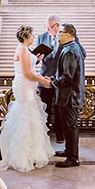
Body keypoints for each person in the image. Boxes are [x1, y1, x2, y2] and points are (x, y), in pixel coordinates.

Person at [0, 25, 53, 172]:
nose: (34, 38)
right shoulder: (22, 48)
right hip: (24, 85)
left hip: (28, 85)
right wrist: (43, 81)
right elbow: (27, 73)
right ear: (27, 36)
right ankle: (22, 155)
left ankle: (32, 152)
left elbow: (30, 68)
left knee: (30, 114)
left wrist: (38, 64)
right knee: (26, 114)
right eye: (32, 35)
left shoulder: (24, 49)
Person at [50, 22, 85, 168]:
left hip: (69, 97)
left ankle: (73, 158)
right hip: (72, 95)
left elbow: (68, 77)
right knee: (68, 126)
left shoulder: (70, 51)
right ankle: (69, 150)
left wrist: (53, 83)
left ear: (68, 35)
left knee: (70, 127)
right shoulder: (73, 47)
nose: (58, 34)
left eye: (61, 33)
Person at [36, 14, 63, 142]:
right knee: (44, 107)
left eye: (50, 27)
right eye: (46, 27)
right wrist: (37, 58)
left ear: (57, 25)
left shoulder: (64, 37)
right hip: (44, 78)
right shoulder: (42, 37)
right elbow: (36, 58)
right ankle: (44, 134)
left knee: (59, 108)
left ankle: (59, 134)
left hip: (59, 79)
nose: (48, 30)